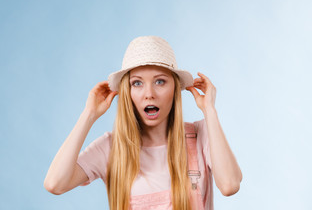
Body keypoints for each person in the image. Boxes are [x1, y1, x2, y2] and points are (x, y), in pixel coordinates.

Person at [44, 36, 242, 210]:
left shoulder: (201, 134)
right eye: (137, 83)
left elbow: (230, 185)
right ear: (127, 92)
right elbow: (55, 184)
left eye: (160, 81)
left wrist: (210, 111)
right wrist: (89, 114)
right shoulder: (111, 148)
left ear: (175, 89)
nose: (149, 94)